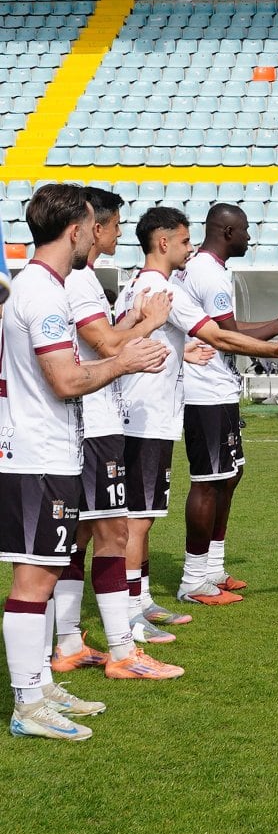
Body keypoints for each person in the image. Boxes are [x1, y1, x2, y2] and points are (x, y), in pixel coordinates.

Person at [1, 184, 170, 741]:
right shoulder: (45, 294)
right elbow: (68, 379)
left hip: (47, 451)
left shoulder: (36, 288)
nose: (101, 234)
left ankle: (39, 685)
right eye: (96, 226)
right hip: (38, 454)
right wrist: (126, 360)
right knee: (33, 578)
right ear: (76, 231)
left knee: (44, 573)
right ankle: (28, 701)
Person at [116, 207, 278, 617]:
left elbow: (209, 333)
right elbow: (222, 335)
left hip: (174, 400)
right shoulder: (177, 282)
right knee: (163, 504)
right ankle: (166, 594)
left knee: (216, 480)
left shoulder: (162, 283)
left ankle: (172, 588)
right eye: (184, 241)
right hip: (171, 403)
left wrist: (181, 349)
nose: (189, 251)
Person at [53, 187, 184, 679]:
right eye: (111, 226)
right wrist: (146, 327)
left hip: (83, 419)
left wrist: (135, 319)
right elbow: (105, 345)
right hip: (96, 419)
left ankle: (69, 643)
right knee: (114, 532)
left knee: (82, 534)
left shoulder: (66, 280)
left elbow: (102, 335)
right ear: (92, 227)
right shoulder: (81, 279)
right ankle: (123, 651)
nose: (114, 234)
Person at [173, 204, 278, 598]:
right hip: (204, 390)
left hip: (219, 386)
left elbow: (225, 331)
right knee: (208, 482)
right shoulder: (207, 273)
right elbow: (229, 334)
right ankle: (193, 579)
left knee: (230, 475)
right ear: (229, 232)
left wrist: (277, 327)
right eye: (247, 230)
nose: (250, 237)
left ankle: (214, 569)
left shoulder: (210, 271)